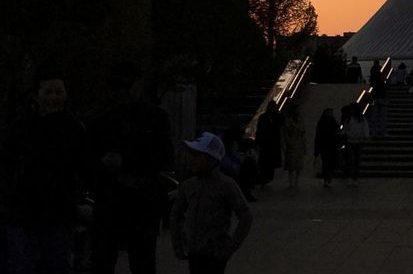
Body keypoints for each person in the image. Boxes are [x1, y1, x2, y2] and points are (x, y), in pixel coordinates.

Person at [88, 61, 173, 274]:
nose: (122, 92)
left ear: (138, 85)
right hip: (110, 201)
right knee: (103, 262)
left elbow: (164, 156)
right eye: (118, 87)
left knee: (142, 262)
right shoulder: (101, 121)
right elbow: (88, 160)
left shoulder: (156, 118)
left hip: (142, 202)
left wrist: (125, 162)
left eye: (127, 86)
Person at [2, 69, 89, 274]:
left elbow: (85, 168)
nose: (54, 97)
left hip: (58, 212)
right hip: (22, 212)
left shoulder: (74, 129)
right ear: (37, 95)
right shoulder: (21, 127)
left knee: (55, 264)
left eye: (59, 92)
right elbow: (6, 163)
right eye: (48, 92)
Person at [170, 132, 252, 274]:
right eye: (192, 154)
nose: (192, 160)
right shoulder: (189, 185)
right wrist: (178, 244)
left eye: (198, 155)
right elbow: (176, 214)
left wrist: (229, 248)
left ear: (212, 159)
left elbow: (245, 216)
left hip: (215, 253)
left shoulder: (226, 185)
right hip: (194, 251)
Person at [219, 124, 258, 203]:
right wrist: (239, 164)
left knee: (249, 163)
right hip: (224, 167)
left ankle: (248, 189)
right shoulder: (225, 143)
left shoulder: (230, 142)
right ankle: (247, 192)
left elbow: (234, 156)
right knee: (246, 169)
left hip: (228, 165)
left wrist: (244, 159)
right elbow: (226, 159)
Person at [253, 100, 282, 187]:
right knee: (264, 162)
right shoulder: (263, 117)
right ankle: (263, 178)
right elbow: (259, 130)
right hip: (265, 143)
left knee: (269, 162)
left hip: (273, 142)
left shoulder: (276, 117)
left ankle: (266, 178)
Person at [341, 104, 368, 186]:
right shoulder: (349, 119)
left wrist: (364, 136)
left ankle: (355, 178)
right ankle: (351, 178)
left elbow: (365, 129)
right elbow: (345, 129)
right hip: (351, 141)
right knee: (351, 160)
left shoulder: (362, 119)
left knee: (356, 161)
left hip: (358, 141)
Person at [280, 103, 306, 189]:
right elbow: (285, 132)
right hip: (292, 143)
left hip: (299, 143)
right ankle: (291, 181)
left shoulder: (300, 119)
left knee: (298, 164)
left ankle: (295, 181)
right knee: (291, 165)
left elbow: (303, 131)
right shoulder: (288, 120)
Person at [313, 109, 341, 186]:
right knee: (326, 163)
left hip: (331, 146)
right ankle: (327, 178)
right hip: (326, 146)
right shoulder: (327, 123)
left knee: (330, 163)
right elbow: (318, 136)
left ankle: (328, 177)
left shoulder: (332, 123)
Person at [367, 61, 388, 139]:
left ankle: (374, 132)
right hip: (382, 98)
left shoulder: (372, 81)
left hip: (374, 99)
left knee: (374, 117)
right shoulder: (382, 80)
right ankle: (383, 132)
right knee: (382, 117)